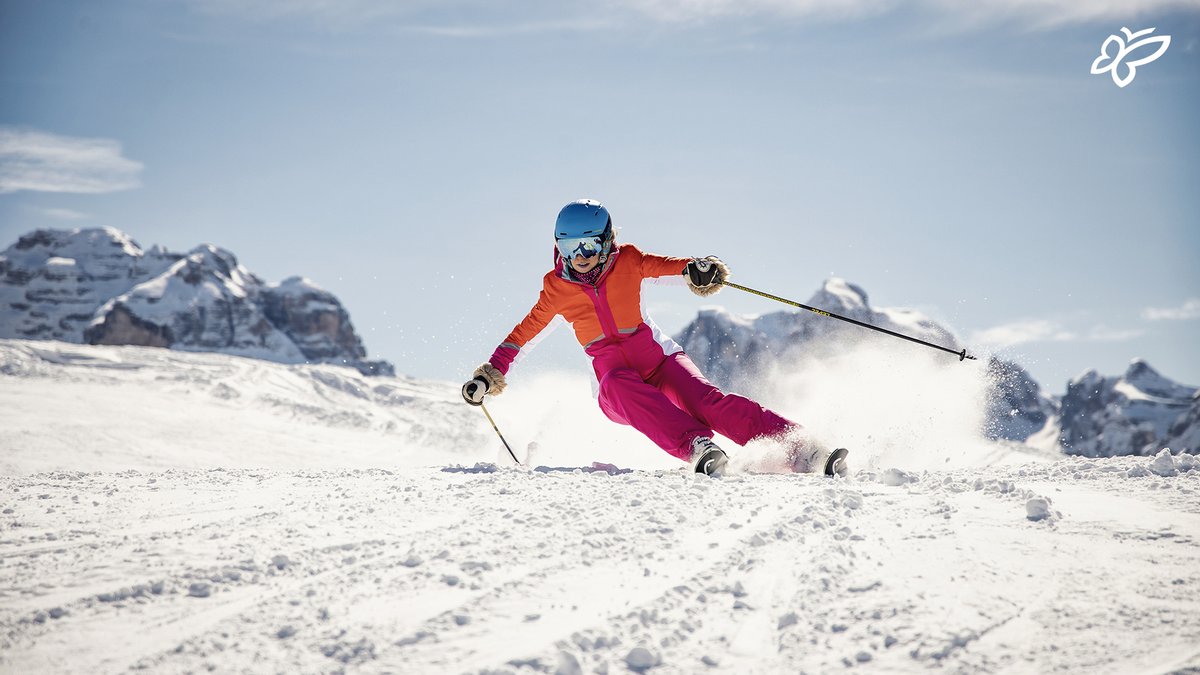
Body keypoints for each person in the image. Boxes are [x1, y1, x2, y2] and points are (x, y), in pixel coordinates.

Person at [462, 199, 848, 477]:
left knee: (707, 401)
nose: (579, 256)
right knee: (619, 381)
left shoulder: (627, 261)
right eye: (569, 246)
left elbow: (666, 266)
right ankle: (697, 446)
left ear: (607, 240)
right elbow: (521, 337)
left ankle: (801, 448)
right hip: (614, 384)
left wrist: (698, 270)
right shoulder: (556, 288)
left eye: (589, 245)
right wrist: (489, 374)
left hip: (659, 360)